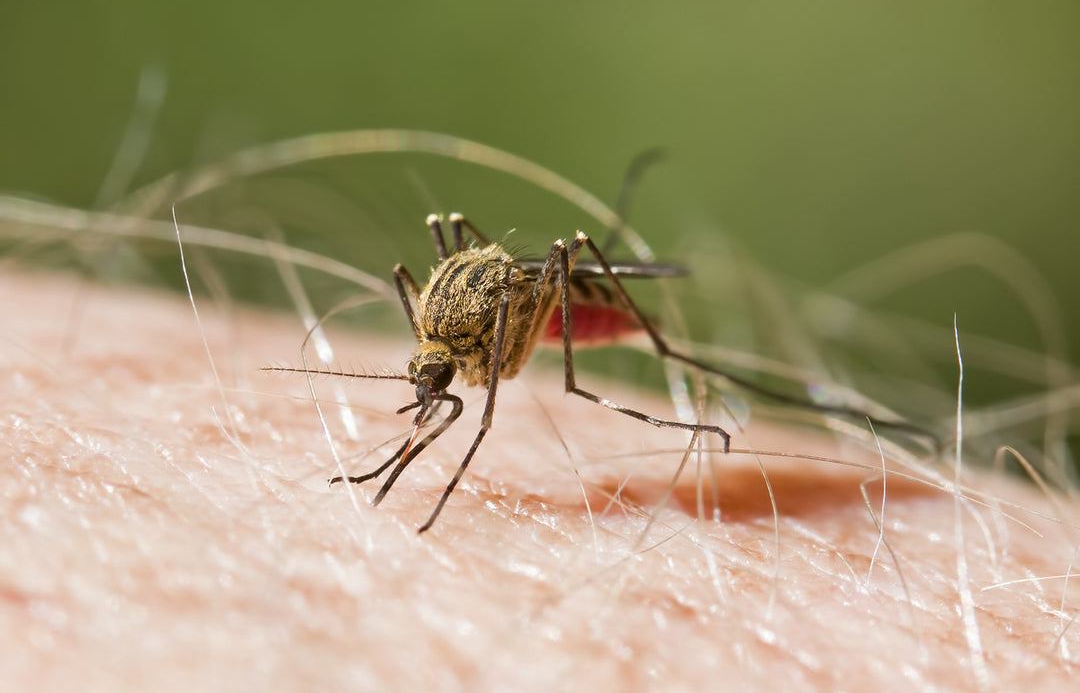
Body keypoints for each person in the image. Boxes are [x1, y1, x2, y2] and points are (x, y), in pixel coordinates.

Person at [3, 269, 1076, 691]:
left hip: (557, 301)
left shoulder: (471, 340)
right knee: (462, 349)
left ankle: (665, 371)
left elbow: (473, 395)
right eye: (431, 380)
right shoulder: (439, 340)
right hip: (498, 307)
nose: (432, 392)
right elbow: (449, 383)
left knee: (503, 364)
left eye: (432, 384)